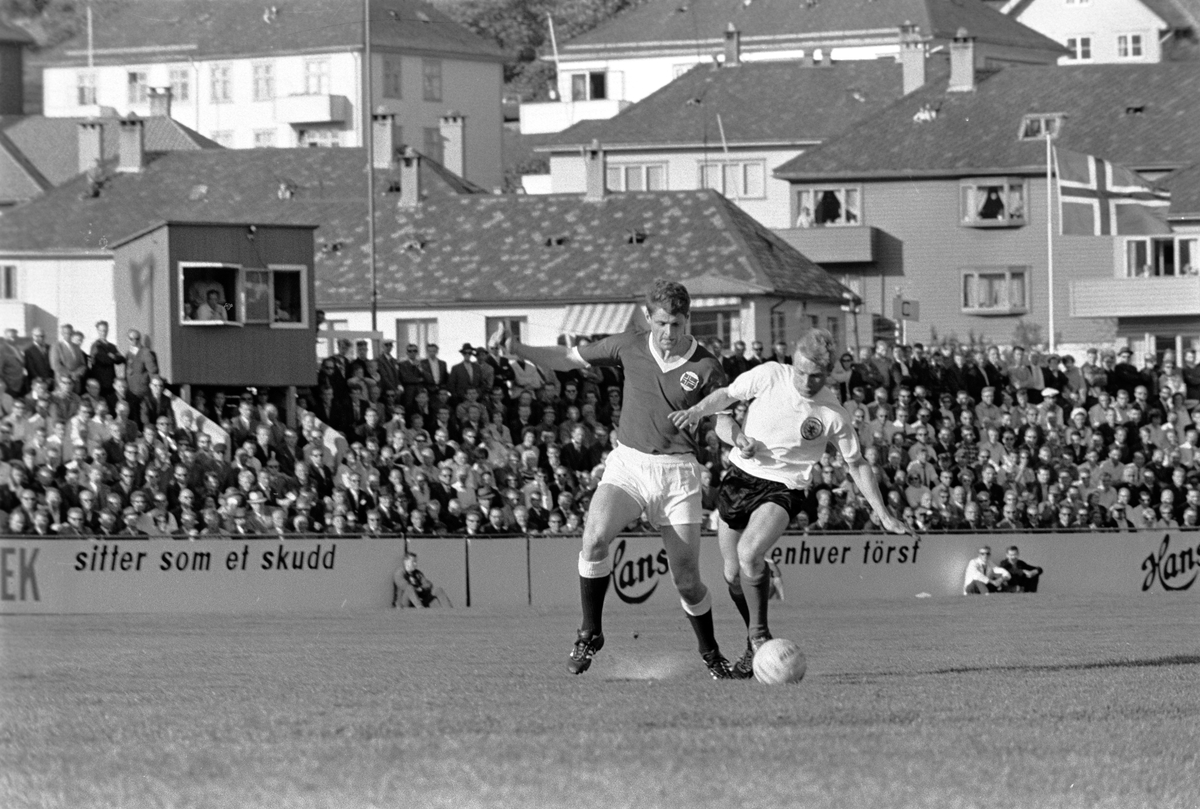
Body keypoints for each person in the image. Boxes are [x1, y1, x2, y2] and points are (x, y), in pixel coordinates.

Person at [494, 279, 737, 679]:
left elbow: (723, 419)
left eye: (677, 324)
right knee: (593, 539)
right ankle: (590, 632)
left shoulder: (707, 365)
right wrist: (518, 349)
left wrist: (737, 439)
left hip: (678, 476)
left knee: (688, 582)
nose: (669, 334)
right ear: (648, 318)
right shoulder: (629, 344)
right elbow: (569, 358)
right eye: (661, 323)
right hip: (630, 465)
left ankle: (711, 655)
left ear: (688, 320)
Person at [670, 328, 909, 676]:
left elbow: (856, 463)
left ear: (827, 374)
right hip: (739, 477)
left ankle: (758, 637)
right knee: (733, 573)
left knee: (750, 554)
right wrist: (706, 419)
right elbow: (724, 399)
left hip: (785, 486)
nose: (806, 381)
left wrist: (883, 514)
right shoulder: (769, 375)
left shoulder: (832, 413)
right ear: (792, 362)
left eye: (815, 376)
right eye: (800, 371)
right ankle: (753, 646)